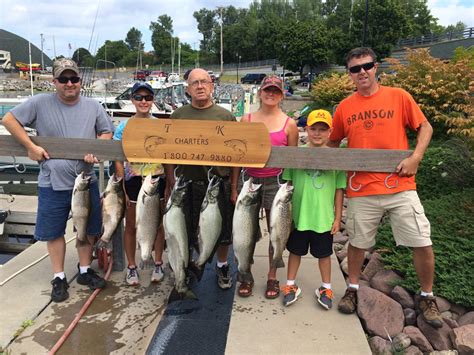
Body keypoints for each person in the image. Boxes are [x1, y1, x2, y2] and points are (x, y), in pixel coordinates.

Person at [329, 47, 442, 328]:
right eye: (355, 69)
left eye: (366, 66)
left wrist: (415, 158)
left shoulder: (399, 96)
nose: (362, 72)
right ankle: (353, 289)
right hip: (361, 188)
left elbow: (425, 128)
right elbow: (332, 143)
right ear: (350, 75)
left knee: (421, 241)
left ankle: (427, 295)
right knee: (356, 243)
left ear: (375, 67)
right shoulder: (344, 107)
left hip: (400, 186)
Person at [2, 58, 114, 302]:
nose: (69, 83)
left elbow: (107, 131)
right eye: (63, 79)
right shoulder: (39, 102)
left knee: (88, 228)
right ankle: (59, 276)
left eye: (73, 78)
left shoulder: (93, 106)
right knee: (54, 232)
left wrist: (97, 148)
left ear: (79, 81)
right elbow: (9, 120)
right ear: (54, 82)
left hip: (85, 180)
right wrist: (30, 146)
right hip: (52, 181)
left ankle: (85, 270)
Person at [163, 68, 240, 290]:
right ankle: (186, 266)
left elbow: (237, 157)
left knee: (223, 232)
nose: (199, 86)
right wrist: (170, 182)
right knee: (185, 229)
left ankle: (222, 265)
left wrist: (234, 188)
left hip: (218, 184)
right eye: (194, 82)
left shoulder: (225, 116)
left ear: (212, 86)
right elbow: (166, 152)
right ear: (187, 89)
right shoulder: (178, 116)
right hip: (187, 184)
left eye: (204, 82)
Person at [239, 75, 299, 298]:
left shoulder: (289, 124)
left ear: (281, 94)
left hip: (277, 182)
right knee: (247, 230)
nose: (271, 94)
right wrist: (236, 187)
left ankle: (273, 275)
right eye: (267, 90)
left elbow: (292, 161)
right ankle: (245, 274)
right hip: (250, 180)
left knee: (277, 229)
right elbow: (237, 154)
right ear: (260, 92)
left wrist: (290, 188)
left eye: (275, 90)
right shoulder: (246, 120)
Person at [281, 110, 346, 309]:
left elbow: (339, 189)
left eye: (322, 129)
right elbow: (288, 186)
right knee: (294, 252)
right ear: (306, 129)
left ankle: (326, 287)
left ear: (330, 132)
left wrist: (337, 218)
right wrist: (287, 215)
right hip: (299, 216)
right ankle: (291, 285)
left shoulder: (336, 159)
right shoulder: (296, 155)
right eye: (314, 129)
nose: (317, 133)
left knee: (324, 255)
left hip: (323, 218)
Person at [113, 82, 166, 285]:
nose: (143, 101)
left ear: (152, 101)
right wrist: (121, 186)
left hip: (155, 179)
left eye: (148, 97)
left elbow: (168, 155)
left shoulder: (160, 125)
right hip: (133, 180)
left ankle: (158, 262)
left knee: (157, 224)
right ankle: (132, 266)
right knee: (131, 225)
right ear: (133, 100)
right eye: (139, 97)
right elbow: (117, 156)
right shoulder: (124, 126)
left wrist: (169, 182)